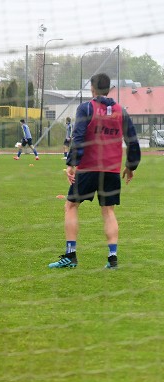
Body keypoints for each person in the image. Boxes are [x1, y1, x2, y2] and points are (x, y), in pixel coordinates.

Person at [48, 73, 141, 269]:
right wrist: (131, 166)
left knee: (71, 206)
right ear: (110, 89)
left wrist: (71, 163)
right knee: (108, 211)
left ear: (92, 88)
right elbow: (132, 140)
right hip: (112, 170)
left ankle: (71, 256)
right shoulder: (121, 111)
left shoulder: (87, 108)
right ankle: (112, 259)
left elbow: (79, 137)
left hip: (89, 168)